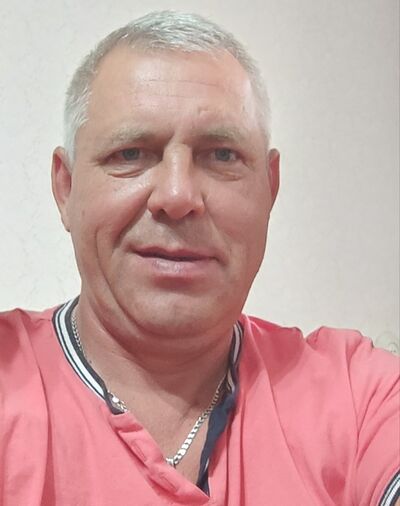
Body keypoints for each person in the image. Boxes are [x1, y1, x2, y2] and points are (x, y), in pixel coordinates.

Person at [0, 10, 398, 506]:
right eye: (130, 153)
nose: (177, 195)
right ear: (66, 187)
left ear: (270, 187)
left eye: (221, 155)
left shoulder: (360, 398)